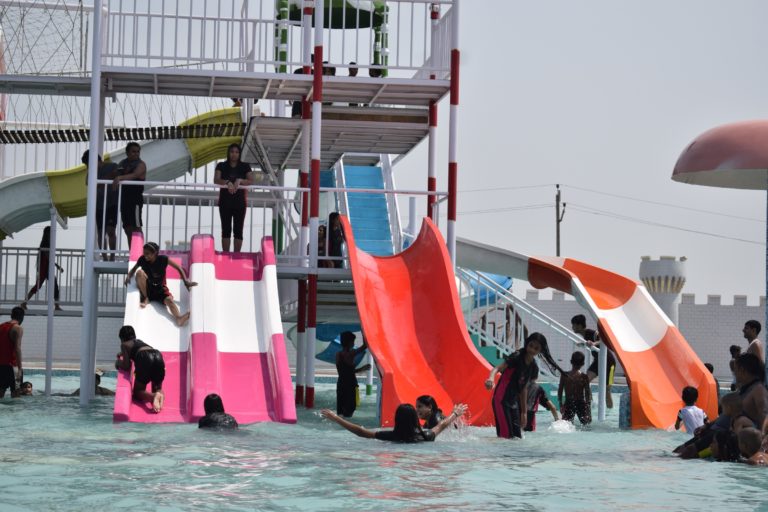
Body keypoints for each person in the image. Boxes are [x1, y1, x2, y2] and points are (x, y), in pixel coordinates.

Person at [485, 332, 565, 439]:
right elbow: (497, 368)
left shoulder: (533, 367)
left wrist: (524, 412)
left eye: (536, 348)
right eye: (531, 345)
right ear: (527, 343)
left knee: (517, 437)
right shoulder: (517, 356)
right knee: (506, 437)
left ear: (540, 351)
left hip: (513, 402)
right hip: (501, 399)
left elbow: (524, 389)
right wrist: (491, 378)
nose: (532, 350)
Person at [124, 242, 197, 326]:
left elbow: (178, 268)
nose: (145, 256)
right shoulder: (142, 259)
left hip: (160, 290)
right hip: (148, 288)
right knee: (139, 273)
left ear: (154, 253)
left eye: (147, 254)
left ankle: (178, 318)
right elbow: (134, 269)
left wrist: (185, 282)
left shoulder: (163, 259)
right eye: (144, 253)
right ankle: (146, 298)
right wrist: (128, 276)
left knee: (170, 301)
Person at [320, 403, 468, 442]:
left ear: (397, 419)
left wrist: (336, 418)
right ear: (415, 420)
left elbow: (361, 432)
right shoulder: (426, 436)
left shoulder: (391, 436)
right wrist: (455, 413)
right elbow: (442, 425)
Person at [114, 325, 165, 413]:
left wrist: (118, 362)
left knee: (138, 392)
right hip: (157, 355)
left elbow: (127, 365)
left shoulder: (124, 345)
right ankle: (159, 395)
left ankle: (153, 397)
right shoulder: (139, 341)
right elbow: (138, 349)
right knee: (157, 388)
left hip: (144, 358)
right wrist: (122, 353)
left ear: (122, 338)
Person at [213, 143, 253, 252]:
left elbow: (250, 180)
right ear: (228, 153)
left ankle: (236, 255)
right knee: (226, 229)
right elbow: (216, 179)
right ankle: (226, 255)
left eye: (236, 152)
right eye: (232, 152)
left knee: (238, 230)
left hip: (240, 203)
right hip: (225, 202)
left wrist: (240, 180)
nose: (234, 154)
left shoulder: (245, 166)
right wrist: (227, 182)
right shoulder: (221, 165)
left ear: (239, 154)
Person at [571, 314, 615, 408]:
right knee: (585, 381)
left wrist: (594, 343)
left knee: (606, 391)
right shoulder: (584, 335)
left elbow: (605, 340)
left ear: (579, 326)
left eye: (573, 325)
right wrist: (583, 344)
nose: (572, 327)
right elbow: (589, 343)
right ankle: (591, 404)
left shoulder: (593, 333)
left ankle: (609, 412)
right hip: (598, 361)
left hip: (609, 362)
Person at [83, 150, 119, 261]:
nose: (88, 167)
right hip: (99, 205)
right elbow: (88, 182)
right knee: (101, 232)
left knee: (111, 230)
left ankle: (112, 256)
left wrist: (103, 181)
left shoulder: (112, 166)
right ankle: (104, 256)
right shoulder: (91, 172)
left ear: (96, 161)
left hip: (112, 203)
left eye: (89, 164)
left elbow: (119, 173)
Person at [112, 142, 147, 247]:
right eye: (133, 151)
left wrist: (120, 177)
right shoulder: (123, 163)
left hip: (135, 200)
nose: (136, 154)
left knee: (136, 226)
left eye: (138, 151)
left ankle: (140, 252)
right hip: (124, 199)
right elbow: (116, 173)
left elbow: (136, 174)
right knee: (127, 228)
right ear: (127, 153)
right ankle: (132, 251)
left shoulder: (141, 164)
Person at [20, 226, 63, 311]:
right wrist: (58, 266)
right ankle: (24, 303)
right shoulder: (46, 244)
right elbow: (49, 258)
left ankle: (24, 303)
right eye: (52, 232)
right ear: (48, 233)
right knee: (41, 286)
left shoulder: (46, 243)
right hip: (45, 268)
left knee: (45, 285)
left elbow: (48, 258)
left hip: (45, 268)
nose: (53, 234)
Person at [335, 331, 369, 417]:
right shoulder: (351, 353)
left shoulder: (338, 354)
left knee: (341, 410)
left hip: (341, 384)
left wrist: (361, 369)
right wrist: (363, 332)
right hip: (350, 385)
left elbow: (345, 372)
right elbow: (365, 345)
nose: (354, 343)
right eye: (353, 341)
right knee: (350, 410)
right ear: (350, 342)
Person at [734, 353, 768, 429]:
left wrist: (762, 434)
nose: (734, 373)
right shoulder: (747, 388)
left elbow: (764, 414)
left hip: (750, 434)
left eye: (735, 369)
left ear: (742, 370)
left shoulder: (758, 389)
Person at [558, 351, 592, 426]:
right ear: (583, 363)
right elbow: (587, 394)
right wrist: (589, 411)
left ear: (571, 362)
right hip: (581, 404)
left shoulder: (564, 375)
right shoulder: (584, 377)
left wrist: (561, 405)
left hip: (569, 403)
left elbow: (560, 391)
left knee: (566, 426)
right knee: (586, 425)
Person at [525, 367, 559, 432]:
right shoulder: (538, 388)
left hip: (518, 416)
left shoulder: (520, 386)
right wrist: (557, 421)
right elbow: (552, 407)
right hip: (530, 416)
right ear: (537, 376)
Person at [0, 307, 24, 398]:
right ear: (22, 317)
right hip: (13, 366)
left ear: (11, 315)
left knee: (1, 392)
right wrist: (20, 368)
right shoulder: (18, 328)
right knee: (16, 394)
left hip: (1, 366)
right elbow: (17, 348)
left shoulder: (1, 326)